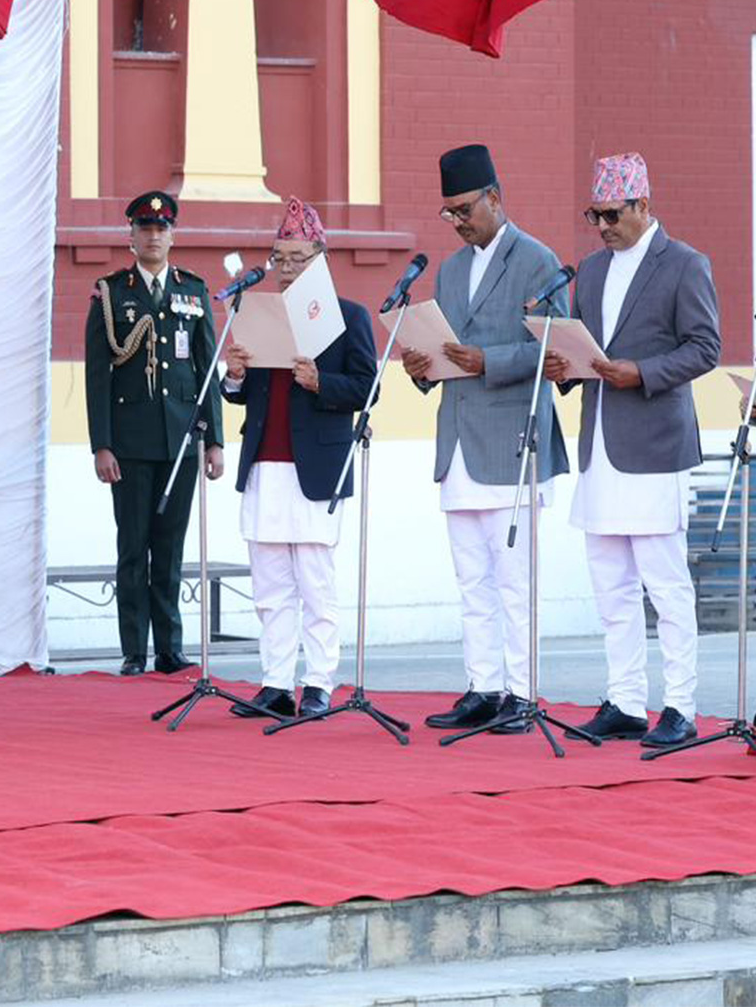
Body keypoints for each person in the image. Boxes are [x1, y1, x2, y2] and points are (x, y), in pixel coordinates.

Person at [546, 153, 719, 748]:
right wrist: (561, 367)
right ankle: (624, 701)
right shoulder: (591, 271)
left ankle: (681, 706)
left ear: (643, 205)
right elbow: (588, 351)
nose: (602, 226)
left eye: (612, 214)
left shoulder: (684, 264)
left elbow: (704, 348)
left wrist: (639, 372)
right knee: (611, 585)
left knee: (666, 586)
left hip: (652, 447)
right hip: (599, 445)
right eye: (594, 215)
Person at [401, 144, 570, 735]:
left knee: (514, 580)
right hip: (458, 444)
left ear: (495, 198)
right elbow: (445, 348)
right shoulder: (450, 269)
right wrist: (422, 368)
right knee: (471, 579)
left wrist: (485, 361)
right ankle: (483, 686)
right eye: (449, 213)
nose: (457, 221)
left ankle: (523, 696)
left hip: (511, 441)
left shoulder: (537, 260)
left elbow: (554, 347)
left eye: (464, 208)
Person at [222, 198, 376, 718]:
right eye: (279, 257)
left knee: (315, 582)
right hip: (265, 461)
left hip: (316, 467)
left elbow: (366, 387)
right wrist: (237, 373)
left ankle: (318, 683)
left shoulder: (347, 315)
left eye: (296, 258)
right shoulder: (262, 310)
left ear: (320, 257)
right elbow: (239, 394)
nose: (285, 268)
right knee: (269, 585)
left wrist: (321, 382)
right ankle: (274, 682)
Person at [84, 190, 225, 677]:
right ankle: (133, 650)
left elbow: (207, 369)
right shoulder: (111, 293)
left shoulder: (193, 290)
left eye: (161, 228)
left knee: (170, 547)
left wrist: (214, 440)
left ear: (173, 235)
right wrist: (101, 444)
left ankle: (170, 648)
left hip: (181, 441)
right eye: (144, 227)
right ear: (131, 236)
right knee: (133, 546)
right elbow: (98, 376)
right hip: (130, 443)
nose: (153, 235)